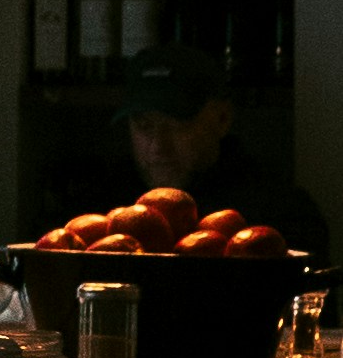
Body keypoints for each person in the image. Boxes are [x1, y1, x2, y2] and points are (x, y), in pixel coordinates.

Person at [117, 91, 327, 254]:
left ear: (222, 118)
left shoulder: (279, 212)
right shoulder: (110, 205)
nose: (158, 146)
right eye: (144, 126)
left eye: (178, 124)